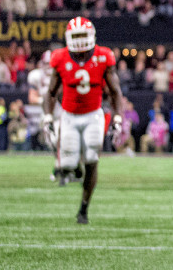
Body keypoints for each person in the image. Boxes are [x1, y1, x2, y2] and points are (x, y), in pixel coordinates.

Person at [42, 18, 124, 223]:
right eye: (75, 36)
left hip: (93, 115)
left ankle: (84, 208)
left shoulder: (103, 56)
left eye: (82, 36)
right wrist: (48, 116)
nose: (79, 41)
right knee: (66, 165)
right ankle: (75, 168)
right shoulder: (60, 57)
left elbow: (115, 91)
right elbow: (51, 92)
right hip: (69, 115)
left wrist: (117, 116)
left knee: (92, 160)